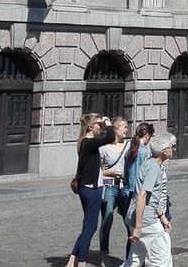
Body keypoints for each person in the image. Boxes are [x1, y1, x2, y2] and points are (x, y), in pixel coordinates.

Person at [66, 113, 116, 267]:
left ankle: (72, 261)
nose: (100, 127)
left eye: (101, 125)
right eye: (98, 124)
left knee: (88, 225)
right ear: (90, 126)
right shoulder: (89, 142)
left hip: (86, 187)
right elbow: (109, 138)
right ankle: (81, 262)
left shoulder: (85, 142)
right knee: (91, 227)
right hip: (91, 188)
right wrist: (108, 124)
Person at [128, 131, 176, 267]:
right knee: (162, 260)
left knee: (134, 261)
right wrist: (138, 227)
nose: (174, 149)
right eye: (172, 146)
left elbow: (152, 197)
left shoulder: (152, 164)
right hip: (147, 221)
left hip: (145, 218)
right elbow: (142, 195)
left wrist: (162, 216)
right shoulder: (154, 168)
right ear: (164, 150)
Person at [120, 123, 155, 267]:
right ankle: (134, 262)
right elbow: (143, 174)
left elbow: (126, 173)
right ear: (147, 136)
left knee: (131, 231)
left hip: (126, 192)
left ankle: (132, 260)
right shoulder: (144, 151)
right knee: (140, 231)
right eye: (150, 137)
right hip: (137, 194)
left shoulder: (131, 147)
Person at [99, 116, 130, 259]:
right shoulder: (104, 148)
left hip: (125, 187)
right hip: (109, 187)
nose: (126, 129)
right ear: (115, 129)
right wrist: (110, 172)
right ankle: (104, 251)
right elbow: (98, 172)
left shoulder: (129, 146)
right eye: (124, 126)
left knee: (129, 220)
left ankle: (131, 255)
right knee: (107, 218)